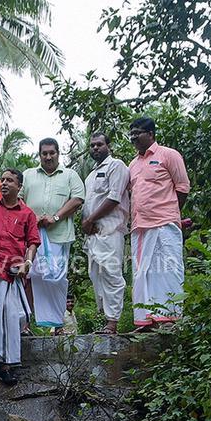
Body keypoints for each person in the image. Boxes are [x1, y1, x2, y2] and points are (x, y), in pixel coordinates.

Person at [0, 169, 39, 385]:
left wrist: (28, 263)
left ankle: (8, 365)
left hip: (14, 273)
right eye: (2, 180)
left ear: (19, 186)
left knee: (13, 318)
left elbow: (32, 242)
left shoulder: (27, 213)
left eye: (10, 181)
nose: (4, 184)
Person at [127, 116, 191, 327]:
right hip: (139, 227)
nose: (134, 137)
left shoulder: (169, 155)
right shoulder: (133, 164)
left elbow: (182, 188)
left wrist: (169, 212)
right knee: (142, 273)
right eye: (132, 133)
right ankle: (146, 321)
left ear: (151, 134)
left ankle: (170, 318)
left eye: (138, 132)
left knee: (168, 269)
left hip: (165, 224)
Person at [22, 137, 84, 331]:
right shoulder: (28, 174)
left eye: (52, 153)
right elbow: (18, 198)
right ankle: (26, 324)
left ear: (58, 153)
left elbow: (78, 198)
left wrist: (55, 217)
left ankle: (58, 324)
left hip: (59, 235)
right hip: (32, 236)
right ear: (39, 155)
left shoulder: (70, 175)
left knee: (56, 278)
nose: (48, 157)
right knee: (30, 277)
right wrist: (33, 218)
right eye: (44, 153)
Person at [81, 132, 131, 334]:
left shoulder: (116, 165)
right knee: (96, 276)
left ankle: (113, 323)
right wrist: (88, 223)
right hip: (93, 234)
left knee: (111, 274)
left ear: (108, 146)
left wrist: (90, 219)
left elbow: (114, 198)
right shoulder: (90, 175)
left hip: (111, 230)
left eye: (99, 144)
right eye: (92, 145)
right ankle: (105, 320)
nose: (95, 148)